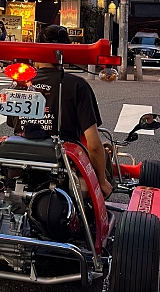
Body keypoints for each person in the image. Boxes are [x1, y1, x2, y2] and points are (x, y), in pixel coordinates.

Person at [7, 24, 113, 199]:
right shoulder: (77, 85)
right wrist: (101, 181)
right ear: (67, 51)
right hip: (64, 167)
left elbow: (14, 126)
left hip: (23, 162)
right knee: (103, 151)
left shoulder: (20, 84)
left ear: (37, 49)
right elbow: (93, 145)